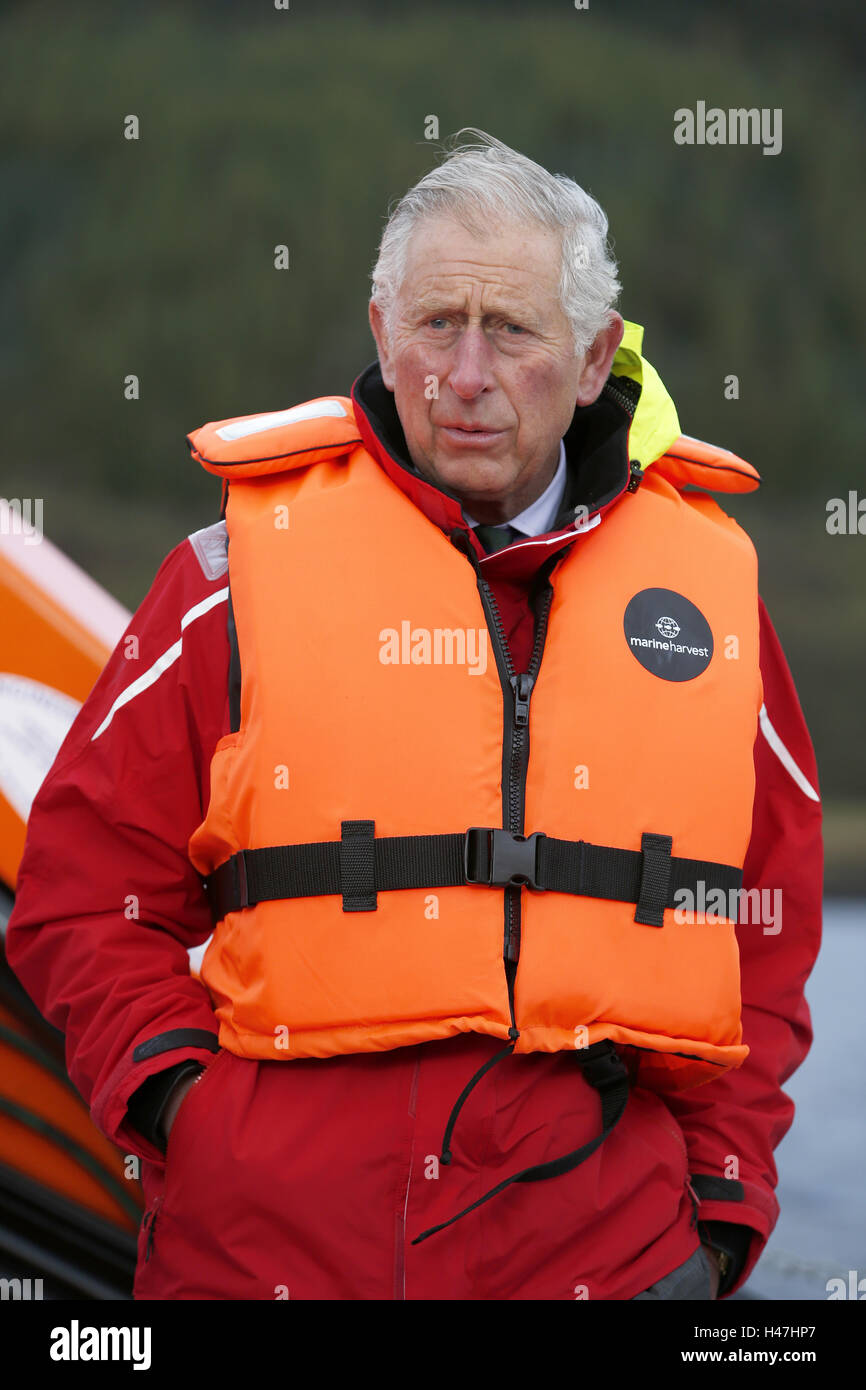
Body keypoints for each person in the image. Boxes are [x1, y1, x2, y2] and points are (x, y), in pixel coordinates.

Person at [6, 130, 822, 1301]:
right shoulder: (229, 577)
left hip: (597, 1260)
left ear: (593, 359)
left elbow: (768, 934)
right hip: (260, 1259)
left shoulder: (707, 602)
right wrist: (186, 1110)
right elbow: (81, 892)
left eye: (513, 330)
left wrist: (717, 1219)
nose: (468, 375)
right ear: (383, 334)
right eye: (437, 324)